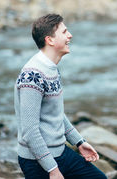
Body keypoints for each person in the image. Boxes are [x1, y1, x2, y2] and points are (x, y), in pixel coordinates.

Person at [14, 14, 107, 179]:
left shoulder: (52, 68)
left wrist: (79, 142)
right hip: (38, 161)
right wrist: (52, 169)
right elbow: (29, 131)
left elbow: (55, 113)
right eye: (64, 32)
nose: (70, 35)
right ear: (50, 40)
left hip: (61, 152)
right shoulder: (32, 75)